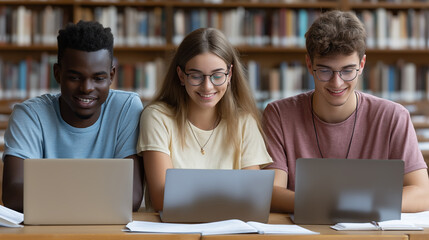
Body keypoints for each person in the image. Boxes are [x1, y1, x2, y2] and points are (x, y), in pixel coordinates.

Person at [263, 10, 429, 213]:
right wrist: (335, 205)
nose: (337, 82)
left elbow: (422, 193)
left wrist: (357, 205)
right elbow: (270, 192)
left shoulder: (393, 116)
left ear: (362, 65)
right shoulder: (279, 114)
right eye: (325, 70)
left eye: (347, 70)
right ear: (309, 64)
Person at [2, 21, 144, 212]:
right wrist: (103, 196)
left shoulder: (126, 108)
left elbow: (131, 196)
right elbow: (13, 194)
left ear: (111, 76)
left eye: (99, 78)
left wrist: (46, 195)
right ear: (57, 74)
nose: (86, 88)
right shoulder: (29, 115)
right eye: (75, 77)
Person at [137, 28, 272, 211]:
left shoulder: (244, 123)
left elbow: (252, 197)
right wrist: (229, 194)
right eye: (196, 76)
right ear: (181, 76)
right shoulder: (157, 117)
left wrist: (187, 194)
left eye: (217, 75)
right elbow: (163, 198)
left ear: (230, 75)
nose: (207, 86)